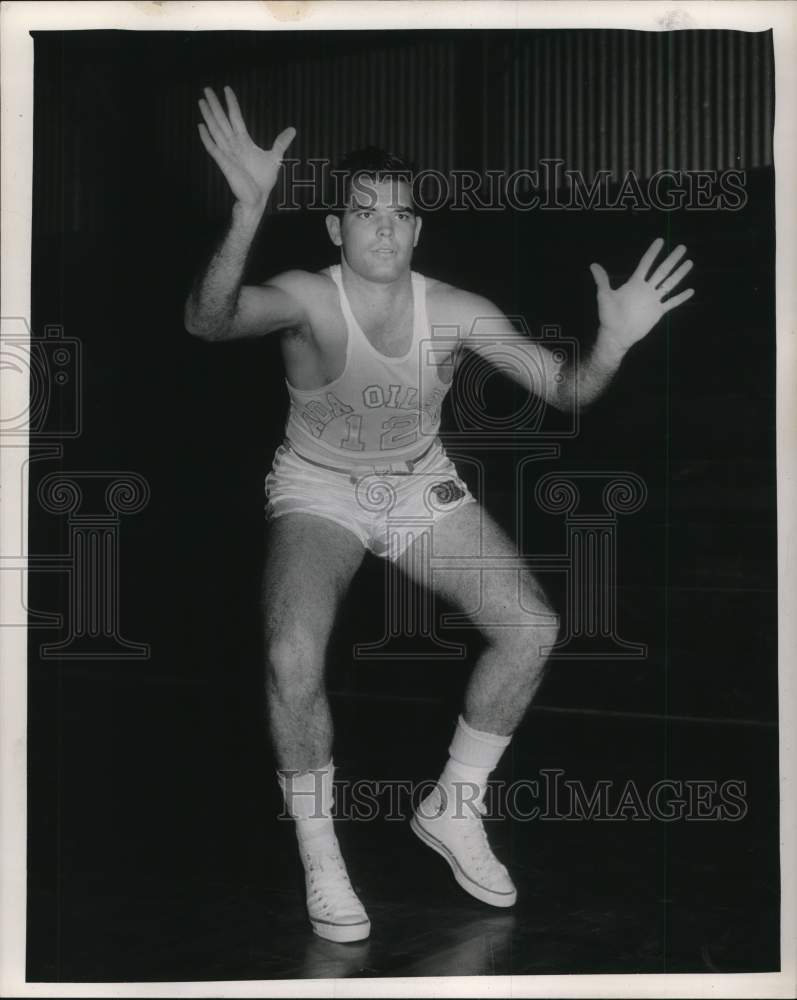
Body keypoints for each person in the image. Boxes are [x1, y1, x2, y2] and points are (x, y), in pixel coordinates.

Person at [184, 85, 694, 943]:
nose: (384, 226)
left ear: (417, 232)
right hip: (319, 489)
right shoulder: (308, 298)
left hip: (418, 483)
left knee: (531, 628)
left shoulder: (456, 311)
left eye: (401, 215)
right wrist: (244, 213)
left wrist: (610, 343)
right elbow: (209, 321)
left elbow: (564, 391)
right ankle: (321, 853)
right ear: (335, 230)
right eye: (364, 212)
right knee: (289, 651)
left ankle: (453, 810)